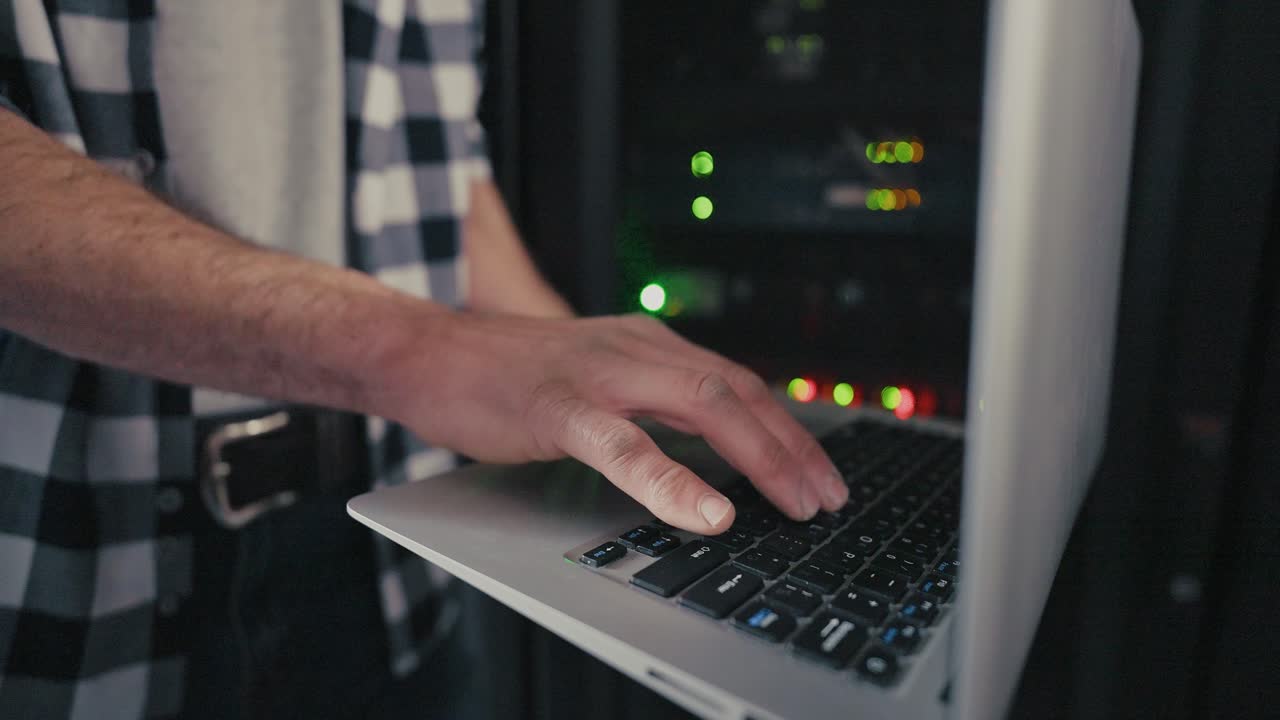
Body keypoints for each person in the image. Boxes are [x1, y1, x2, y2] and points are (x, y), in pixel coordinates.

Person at [0, 1, 848, 717]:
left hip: (399, 557)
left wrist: (613, 391)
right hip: (88, 569)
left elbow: (444, 173)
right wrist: (417, 348)